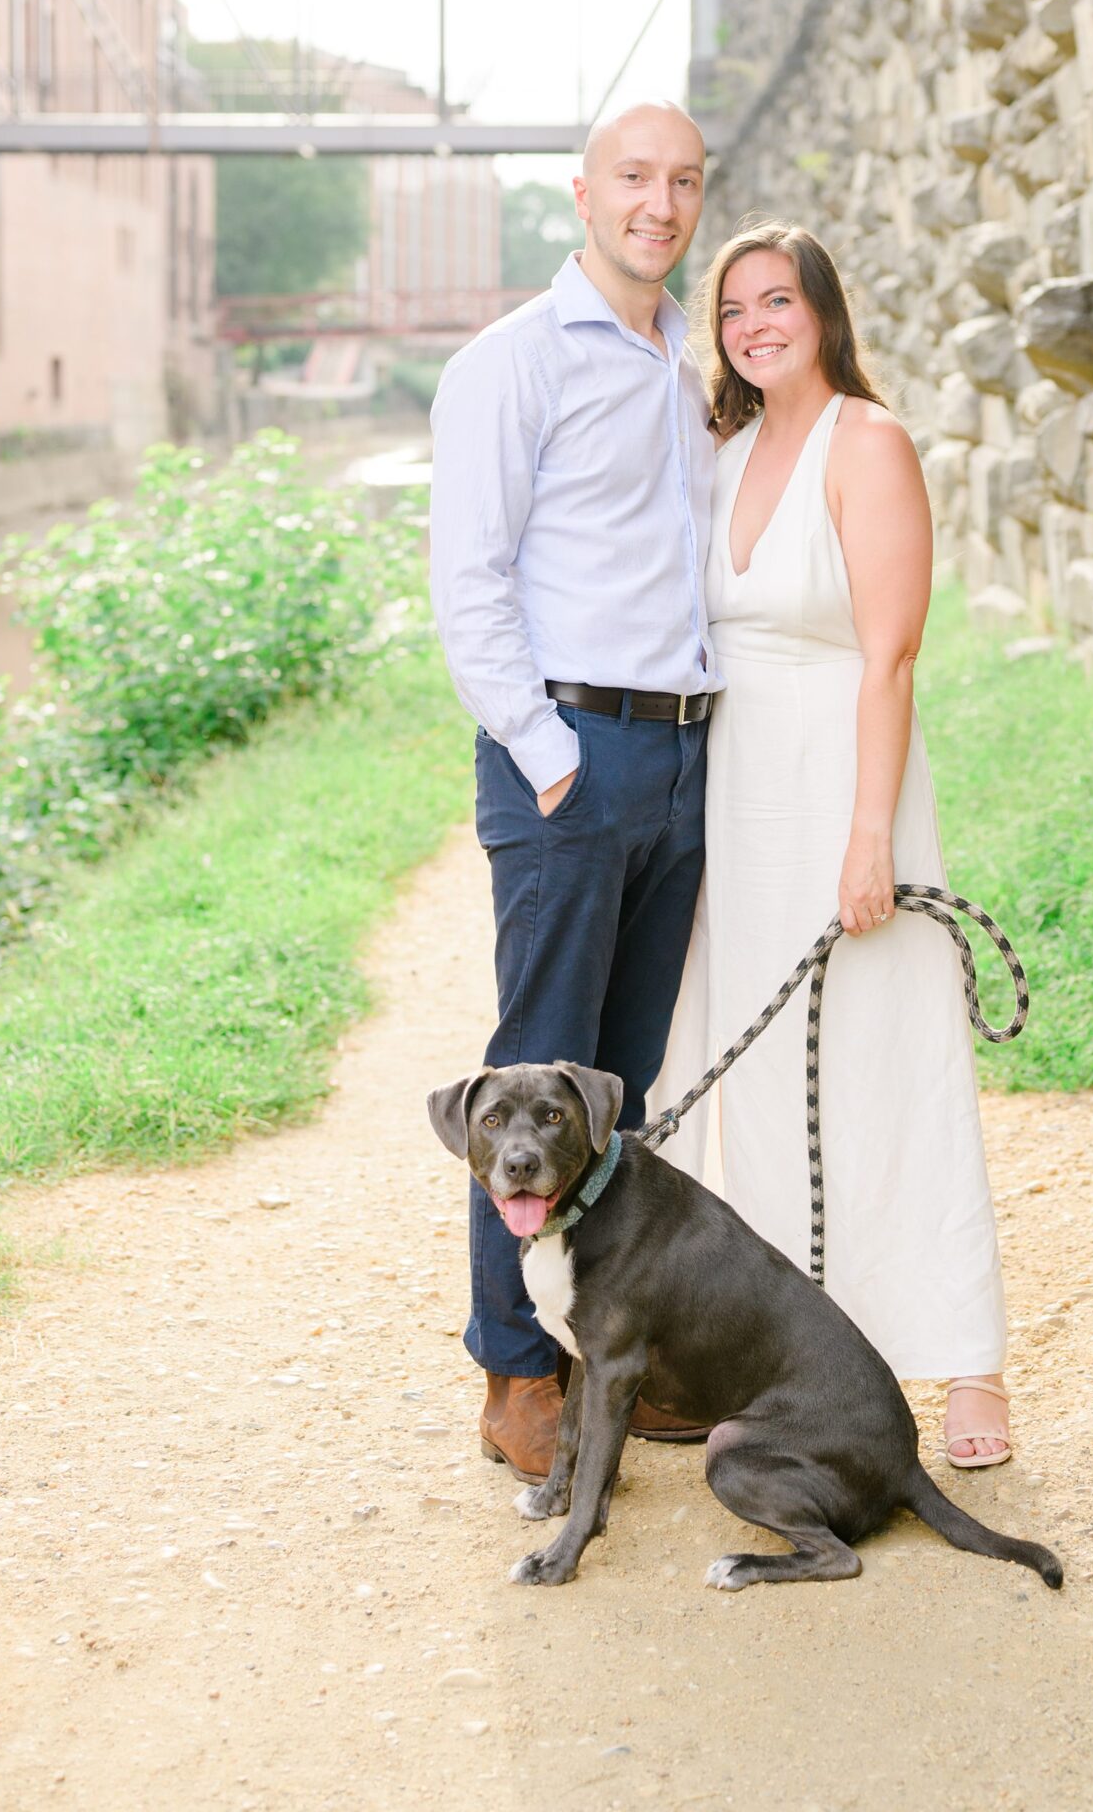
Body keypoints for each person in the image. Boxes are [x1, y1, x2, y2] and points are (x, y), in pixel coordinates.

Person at [652, 221, 1012, 1468]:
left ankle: (968, 1358)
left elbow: (891, 652)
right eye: (734, 309)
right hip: (738, 790)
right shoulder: (725, 446)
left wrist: (870, 837)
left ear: (822, 312)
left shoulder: (870, 442)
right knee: (754, 1075)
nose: (755, 325)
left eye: (777, 302)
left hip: (846, 776)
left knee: (889, 1044)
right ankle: (776, 1350)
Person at [428, 101, 718, 1485]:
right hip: (570, 755)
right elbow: (468, 580)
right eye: (632, 179)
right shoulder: (513, 362)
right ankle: (513, 1366)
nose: (656, 204)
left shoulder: (686, 366)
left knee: (623, 1089)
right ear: (581, 192)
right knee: (533, 1084)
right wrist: (547, 753)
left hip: (678, 752)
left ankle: (615, 1343)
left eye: (680, 182)